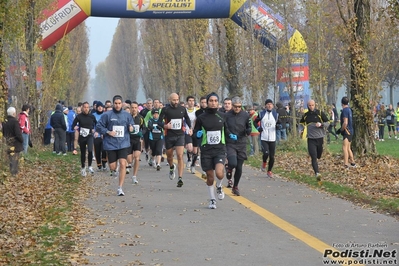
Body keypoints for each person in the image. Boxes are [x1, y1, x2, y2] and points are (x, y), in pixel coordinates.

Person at [194, 92, 236, 209]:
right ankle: (212, 199)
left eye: (215, 101)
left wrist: (231, 135)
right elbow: (196, 132)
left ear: (218, 102)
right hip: (206, 150)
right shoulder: (201, 118)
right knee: (210, 176)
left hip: (219, 149)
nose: (213, 103)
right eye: (211, 101)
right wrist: (198, 134)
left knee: (219, 173)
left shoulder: (222, 116)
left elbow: (226, 130)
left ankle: (219, 186)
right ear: (207, 103)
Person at [96, 95, 134, 196]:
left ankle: (120, 188)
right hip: (111, 144)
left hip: (123, 143)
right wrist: (108, 132)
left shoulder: (127, 115)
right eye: (116, 103)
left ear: (122, 104)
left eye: (119, 103)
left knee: (122, 163)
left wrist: (131, 128)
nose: (117, 105)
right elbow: (99, 126)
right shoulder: (107, 115)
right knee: (112, 166)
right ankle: (114, 170)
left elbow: (132, 125)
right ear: (113, 104)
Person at [158, 93, 192, 187]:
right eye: (174, 100)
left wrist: (190, 128)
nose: (176, 102)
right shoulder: (165, 109)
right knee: (169, 156)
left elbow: (187, 119)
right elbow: (158, 122)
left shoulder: (182, 109)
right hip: (169, 135)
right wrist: (165, 126)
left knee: (180, 156)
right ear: (169, 100)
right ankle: (172, 167)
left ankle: (180, 178)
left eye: (177, 99)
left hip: (180, 135)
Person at [225, 96, 251, 195]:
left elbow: (249, 126)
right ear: (232, 106)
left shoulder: (245, 115)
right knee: (233, 163)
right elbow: (225, 128)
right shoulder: (227, 115)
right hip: (231, 142)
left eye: (239, 107)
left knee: (239, 167)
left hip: (241, 142)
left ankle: (235, 187)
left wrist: (248, 131)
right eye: (235, 106)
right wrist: (229, 134)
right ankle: (229, 168)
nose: (237, 108)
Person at [300, 99, 329, 181]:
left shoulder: (320, 113)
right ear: (307, 106)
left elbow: (328, 122)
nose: (311, 107)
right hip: (311, 139)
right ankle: (317, 173)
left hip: (320, 138)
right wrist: (301, 130)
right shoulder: (306, 115)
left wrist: (321, 124)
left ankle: (317, 168)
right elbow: (301, 123)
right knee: (313, 157)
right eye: (309, 105)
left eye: (312, 105)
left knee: (319, 155)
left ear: (315, 105)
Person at [254, 99, 278, 178]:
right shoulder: (261, 114)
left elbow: (280, 123)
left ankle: (269, 171)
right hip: (264, 137)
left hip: (272, 138)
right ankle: (264, 162)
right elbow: (254, 122)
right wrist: (258, 128)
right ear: (265, 106)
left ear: (273, 106)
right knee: (266, 153)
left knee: (272, 156)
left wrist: (279, 126)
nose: (269, 105)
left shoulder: (275, 114)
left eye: (270, 104)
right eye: (267, 104)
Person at [72, 102, 97, 176]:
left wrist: (95, 130)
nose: (86, 109)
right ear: (82, 108)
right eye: (85, 107)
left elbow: (97, 124)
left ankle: (89, 166)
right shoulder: (79, 117)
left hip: (89, 136)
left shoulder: (92, 116)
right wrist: (75, 127)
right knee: (83, 153)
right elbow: (73, 124)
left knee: (90, 150)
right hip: (82, 136)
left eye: (87, 107)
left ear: (89, 108)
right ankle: (83, 168)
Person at [2, 107, 24, 175]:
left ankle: (11, 172)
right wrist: (22, 140)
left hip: (8, 142)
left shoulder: (4, 122)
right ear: (14, 113)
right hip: (15, 143)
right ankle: (14, 173)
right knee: (15, 159)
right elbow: (18, 133)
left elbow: (3, 132)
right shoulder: (15, 122)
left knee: (10, 159)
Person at [128, 101, 146, 184]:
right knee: (129, 159)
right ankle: (127, 165)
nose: (134, 109)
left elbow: (145, 128)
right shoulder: (127, 117)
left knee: (137, 157)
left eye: (135, 108)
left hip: (137, 140)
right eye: (132, 108)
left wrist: (141, 134)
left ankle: (134, 176)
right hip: (128, 140)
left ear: (137, 108)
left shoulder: (141, 118)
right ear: (130, 108)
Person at [339, 96, 356, 168]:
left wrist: (342, 129)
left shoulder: (345, 110)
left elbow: (345, 122)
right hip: (351, 131)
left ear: (341, 103)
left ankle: (346, 164)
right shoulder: (349, 110)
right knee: (348, 148)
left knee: (344, 148)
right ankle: (353, 163)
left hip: (347, 131)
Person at [93, 101, 108, 171]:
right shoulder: (93, 115)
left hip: (104, 136)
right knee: (97, 151)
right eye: (98, 106)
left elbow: (107, 125)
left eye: (101, 106)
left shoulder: (105, 115)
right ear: (96, 107)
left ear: (103, 108)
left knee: (104, 150)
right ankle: (99, 165)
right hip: (96, 136)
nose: (100, 108)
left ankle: (104, 163)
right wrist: (93, 130)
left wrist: (104, 132)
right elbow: (91, 125)